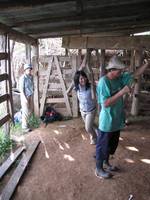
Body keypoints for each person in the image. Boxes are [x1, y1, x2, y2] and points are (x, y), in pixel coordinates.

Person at [95, 55, 149, 179]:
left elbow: (135, 74)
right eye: (119, 70)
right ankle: (98, 169)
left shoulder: (119, 78)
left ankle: (106, 163)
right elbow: (105, 103)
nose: (121, 72)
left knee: (111, 146)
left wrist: (147, 64)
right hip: (107, 122)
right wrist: (122, 92)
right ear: (112, 70)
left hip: (117, 120)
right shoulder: (104, 82)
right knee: (102, 147)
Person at [74, 70, 97, 145]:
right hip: (82, 111)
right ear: (77, 80)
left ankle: (94, 137)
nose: (83, 79)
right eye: (81, 78)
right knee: (91, 124)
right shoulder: (77, 88)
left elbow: (98, 87)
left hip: (91, 111)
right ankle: (97, 130)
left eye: (84, 77)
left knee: (88, 128)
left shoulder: (91, 87)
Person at [19, 63, 33, 133]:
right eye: (28, 69)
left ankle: (27, 124)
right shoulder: (22, 78)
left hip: (30, 95)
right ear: (25, 70)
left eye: (30, 69)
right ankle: (24, 127)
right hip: (24, 96)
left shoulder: (30, 77)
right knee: (25, 111)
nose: (29, 70)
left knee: (29, 111)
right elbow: (21, 90)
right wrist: (24, 99)